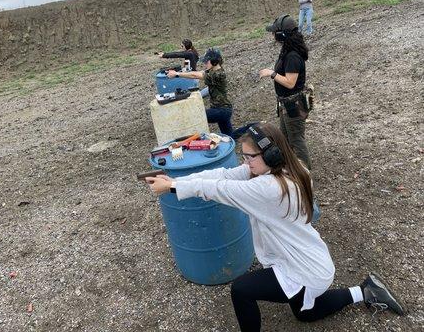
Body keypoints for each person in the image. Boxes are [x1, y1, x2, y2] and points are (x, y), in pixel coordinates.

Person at [144, 123, 405, 332]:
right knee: (305, 314)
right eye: (243, 156)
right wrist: (175, 180)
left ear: (271, 154)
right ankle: (365, 290)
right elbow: (223, 175)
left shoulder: (268, 188)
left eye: (249, 157)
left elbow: (219, 189)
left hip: (303, 267)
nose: (245, 163)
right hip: (307, 257)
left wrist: (173, 187)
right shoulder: (290, 168)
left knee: (241, 290)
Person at [260, 14, 312, 169]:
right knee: (284, 138)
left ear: (282, 34)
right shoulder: (288, 50)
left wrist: (272, 73)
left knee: (296, 139)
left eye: (274, 32)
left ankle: (305, 173)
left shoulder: (293, 56)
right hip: (287, 104)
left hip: (293, 106)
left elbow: (290, 83)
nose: (272, 34)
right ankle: (287, 166)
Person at [167, 48, 233, 136]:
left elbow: (195, 75)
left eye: (207, 62)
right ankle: (251, 128)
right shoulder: (214, 70)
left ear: (214, 61)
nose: (205, 63)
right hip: (223, 109)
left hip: (221, 110)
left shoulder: (217, 74)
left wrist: (177, 74)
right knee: (231, 136)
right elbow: (199, 72)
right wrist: (178, 72)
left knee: (197, 116)